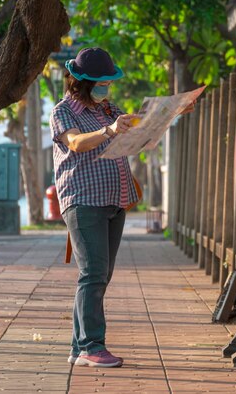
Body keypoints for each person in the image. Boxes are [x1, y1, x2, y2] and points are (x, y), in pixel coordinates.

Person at [50, 47, 142, 368]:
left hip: (115, 198)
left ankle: (79, 347)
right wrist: (109, 130)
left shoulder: (108, 109)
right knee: (92, 273)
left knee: (100, 275)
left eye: (109, 83)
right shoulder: (64, 111)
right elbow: (75, 143)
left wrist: (165, 114)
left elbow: (131, 131)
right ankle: (92, 345)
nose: (107, 89)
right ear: (83, 83)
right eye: (102, 83)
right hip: (83, 199)